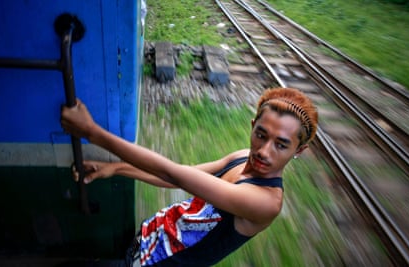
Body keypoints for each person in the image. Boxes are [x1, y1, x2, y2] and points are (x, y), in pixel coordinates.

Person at [61, 87, 318, 267]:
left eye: (281, 145)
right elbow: (181, 175)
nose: (263, 151)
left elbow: (174, 173)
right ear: (252, 126)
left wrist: (92, 132)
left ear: (299, 150)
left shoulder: (265, 202)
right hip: (148, 240)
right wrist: (116, 169)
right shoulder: (242, 156)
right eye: (261, 135)